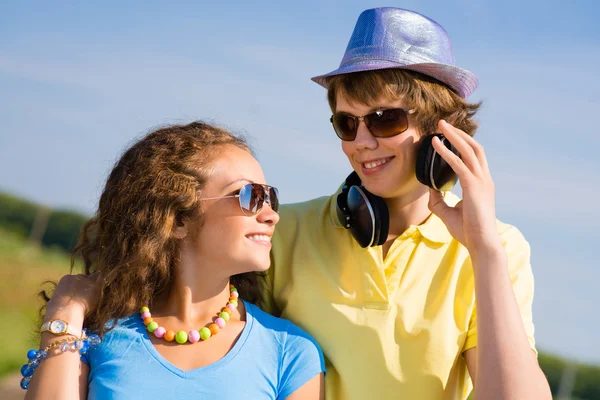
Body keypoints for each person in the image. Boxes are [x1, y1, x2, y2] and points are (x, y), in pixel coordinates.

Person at [259, 7, 552, 400]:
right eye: (347, 123)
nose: (361, 142)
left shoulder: (499, 248)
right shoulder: (282, 231)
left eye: (384, 119)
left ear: (440, 130)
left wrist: (483, 251)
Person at [23, 121, 325, 399]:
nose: (271, 215)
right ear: (178, 219)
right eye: (250, 196)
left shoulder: (290, 351)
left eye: (270, 198)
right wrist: (66, 310)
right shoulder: (95, 336)